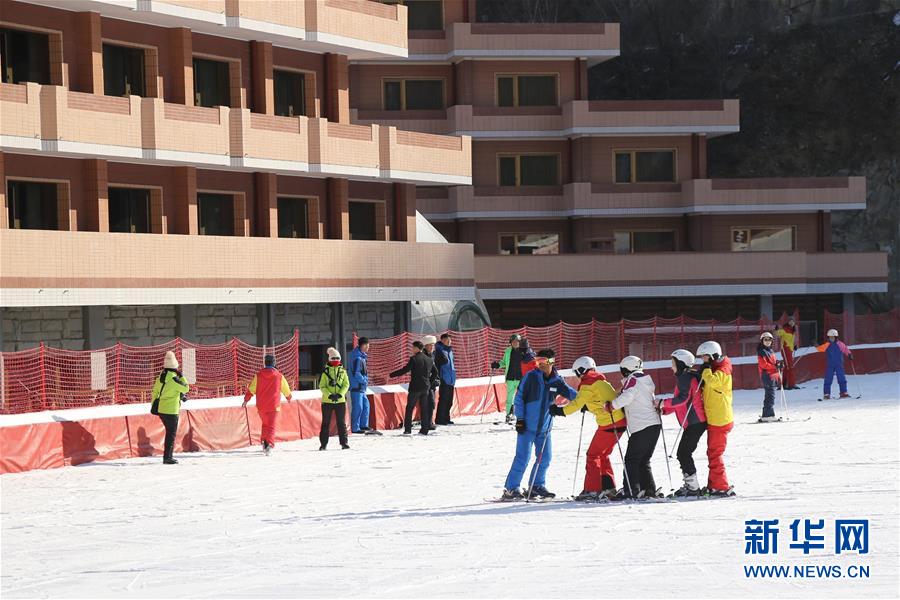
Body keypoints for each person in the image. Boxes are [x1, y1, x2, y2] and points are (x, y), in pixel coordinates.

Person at [501, 349, 577, 500]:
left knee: (545, 458)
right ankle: (511, 488)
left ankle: (536, 485)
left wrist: (587, 400)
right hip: (527, 427)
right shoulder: (530, 377)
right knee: (523, 457)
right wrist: (520, 419)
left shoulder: (557, 380)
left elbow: (572, 394)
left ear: (551, 362)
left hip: (544, 429)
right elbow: (519, 399)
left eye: (542, 362)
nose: (539, 365)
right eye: (537, 362)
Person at [550, 356, 624, 500]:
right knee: (602, 454)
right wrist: (589, 407)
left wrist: (559, 411)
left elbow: (576, 403)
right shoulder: (601, 381)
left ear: (581, 370)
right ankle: (608, 487)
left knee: (592, 455)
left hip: (609, 423)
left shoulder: (588, 383)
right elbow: (601, 400)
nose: (577, 377)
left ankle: (592, 490)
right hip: (618, 422)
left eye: (577, 373)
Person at [609, 355, 661, 499]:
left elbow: (628, 396)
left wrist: (612, 405)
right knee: (644, 459)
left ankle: (631, 490)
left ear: (627, 369)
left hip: (642, 426)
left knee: (631, 459)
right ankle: (648, 489)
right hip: (654, 425)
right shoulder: (644, 381)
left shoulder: (633, 380)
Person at [657, 349, 706, 496]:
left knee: (683, 453)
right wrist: (665, 409)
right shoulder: (687, 376)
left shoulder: (685, 377)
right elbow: (682, 403)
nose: (671, 367)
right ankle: (691, 486)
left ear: (681, 363)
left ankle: (693, 487)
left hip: (695, 422)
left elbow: (682, 399)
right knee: (684, 453)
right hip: (694, 422)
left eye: (673, 363)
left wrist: (662, 403)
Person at [696, 340, 735, 496]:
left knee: (715, 453)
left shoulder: (723, 371)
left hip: (720, 419)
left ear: (712, 356)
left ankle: (721, 486)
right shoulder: (715, 367)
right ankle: (714, 484)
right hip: (716, 417)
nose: (702, 360)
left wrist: (705, 371)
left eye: (704, 357)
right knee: (712, 453)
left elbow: (713, 382)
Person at [242, 353, 292, 455]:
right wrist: (288, 397)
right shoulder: (279, 376)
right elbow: (285, 388)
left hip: (261, 406)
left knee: (265, 425)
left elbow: (251, 389)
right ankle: (269, 445)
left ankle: (264, 442)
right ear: (274, 363)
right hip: (274, 406)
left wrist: (246, 400)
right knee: (271, 426)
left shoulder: (258, 376)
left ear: (265, 363)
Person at [390, 340, 436, 435]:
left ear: (417, 348)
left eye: (412, 347)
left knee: (410, 407)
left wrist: (391, 375)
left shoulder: (414, 359)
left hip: (415, 387)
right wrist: (429, 382)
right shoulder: (429, 359)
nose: (411, 349)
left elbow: (405, 370)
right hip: (425, 387)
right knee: (424, 408)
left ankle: (407, 429)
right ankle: (424, 429)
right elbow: (435, 372)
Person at [151, 350, 190, 464]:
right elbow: (186, 388)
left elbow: (155, 392)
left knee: (169, 432)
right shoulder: (174, 379)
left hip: (161, 409)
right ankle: (167, 457)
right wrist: (182, 377)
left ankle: (167, 456)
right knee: (171, 434)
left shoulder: (160, 377)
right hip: (171, 410)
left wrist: (154, 403)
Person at [318, 347, 350, 451]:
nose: (336, 360)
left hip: (340, 401)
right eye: (333, 358)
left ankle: (344, 443)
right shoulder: (325, 372)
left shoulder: (343, 372)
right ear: (330, 360)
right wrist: (329, 395)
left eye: (337, 358)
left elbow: (346, 384)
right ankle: (323, 444)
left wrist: (340, 394)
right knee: (325, 423)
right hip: (327, 401)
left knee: (341, 423)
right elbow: (322, 386)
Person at [491, 334, 524, 424]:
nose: (515, 343)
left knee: (522, 397)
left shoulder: (524, 351)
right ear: (511, 343)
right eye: (513, 342)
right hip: (510, 378)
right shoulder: (508, 351)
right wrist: (497, 364)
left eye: (517, 341)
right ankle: (509, 414)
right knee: (510, 398)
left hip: (521, 379)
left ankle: (523, 415)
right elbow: (504, 362)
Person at [816, 328, 853, 400]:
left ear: (836, 337)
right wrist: (816, 345)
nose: (831, 339)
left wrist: (849, 354)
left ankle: (843, 392)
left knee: (841, 378)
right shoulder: (827, 344)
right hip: (830, 365)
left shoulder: (840, 344)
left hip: (839, 364)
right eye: (830, 337)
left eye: (832, 337)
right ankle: (826, 394)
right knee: (828, 379)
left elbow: (845, 349)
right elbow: (820, 349)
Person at [756, 332, 783, 422]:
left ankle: (767, 414)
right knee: (770, 395)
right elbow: (763, 364)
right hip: (767, 375)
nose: (767, 342)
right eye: (765, 340)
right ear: (762, 341)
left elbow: (773, 362)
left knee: (771, 394)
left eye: (769, 340)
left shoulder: (770, 350)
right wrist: (775, 366)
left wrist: (778, 363)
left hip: (772, 375)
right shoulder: (762, 351)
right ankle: (768, 415)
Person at [349, 337, 370, 434]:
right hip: (357, 387)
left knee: (366, 406)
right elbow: (356, 373)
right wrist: (364, 380)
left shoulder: (362, 357)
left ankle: (363, 425)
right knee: (358, 407)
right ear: (362, 345)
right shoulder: (357, 358)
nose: (368, 347)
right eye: (366, 345)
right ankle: (355, 427)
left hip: (361, 388)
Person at [433, 333, 456, 425]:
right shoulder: (439, 350)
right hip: (444, 378)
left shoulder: (450, 351)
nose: (449, 342)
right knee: (443, 400)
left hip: (451, 379)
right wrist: (439, 377)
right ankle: (440, 419)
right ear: (442, 340)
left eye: (450, 340)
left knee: (449, 401)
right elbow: (437, 365)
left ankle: (446, 418)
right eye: (447, 340)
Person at [421, 335, 441, 429]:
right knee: (428, 403)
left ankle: (429, 422)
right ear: (426, 346)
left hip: (431, 383)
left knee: (431, 403)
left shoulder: (432, 355)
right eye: (431, 345)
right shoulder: (423, 356)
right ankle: (427, 423)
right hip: (425, 384)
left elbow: (434, 369)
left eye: (433, 345)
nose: (432, 347)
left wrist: (436, 379)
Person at [776, 318, 800, 389]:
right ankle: (791, 384)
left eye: (793, 322)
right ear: (788, 322)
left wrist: (794, 346)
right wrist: (776, 330)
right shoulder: (785, 329)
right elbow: (778, 333)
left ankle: (783, 384)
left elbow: (790, 340)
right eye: (790, 321)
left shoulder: (793, 330)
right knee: (790, 367)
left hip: (790, 349)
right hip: (785, 349)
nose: (792, 323)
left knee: (787, 367)